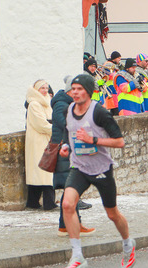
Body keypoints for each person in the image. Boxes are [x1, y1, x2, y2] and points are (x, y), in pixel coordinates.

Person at [60, 74, 136, 268]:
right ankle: (77, 256)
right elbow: (69, 130)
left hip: (101, 169)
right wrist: (66, 145)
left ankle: (128, 244)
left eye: (79, 89)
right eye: (73, 89)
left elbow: (120, 141)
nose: (75, 92)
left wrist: (93, 140)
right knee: (67, 204)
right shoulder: (69, 109)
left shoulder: (99, 112)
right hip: (79, 167)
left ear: (88, 91)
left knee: (112, 214)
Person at [50, 75, 96, 237]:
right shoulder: (61, 104)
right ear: (71, 90)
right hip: (64, 151)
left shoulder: (68, 104)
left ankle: (65, 226)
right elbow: (65, 123)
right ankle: (73, 225)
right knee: (72, 189)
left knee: (70, 190)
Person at [25, 79, 57, 211]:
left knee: (41, 172)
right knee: (43, 172)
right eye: (42, 88)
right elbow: (40, 124)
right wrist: (56, 129)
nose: (45, 90)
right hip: (38, 140)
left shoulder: (46, 102)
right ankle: (48, 203)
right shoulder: (34, 104)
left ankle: (33, 202)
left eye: (46, 88)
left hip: (46, 138)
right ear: (36, 90)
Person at [103, 51, 122, 116]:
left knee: (114, 109)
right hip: (111, 90)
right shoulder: (108, 65)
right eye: (118, 58)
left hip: (113, 90)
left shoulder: (114, 65)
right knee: (114, 110)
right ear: (114, 58)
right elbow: (111, 75)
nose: (119, 60)